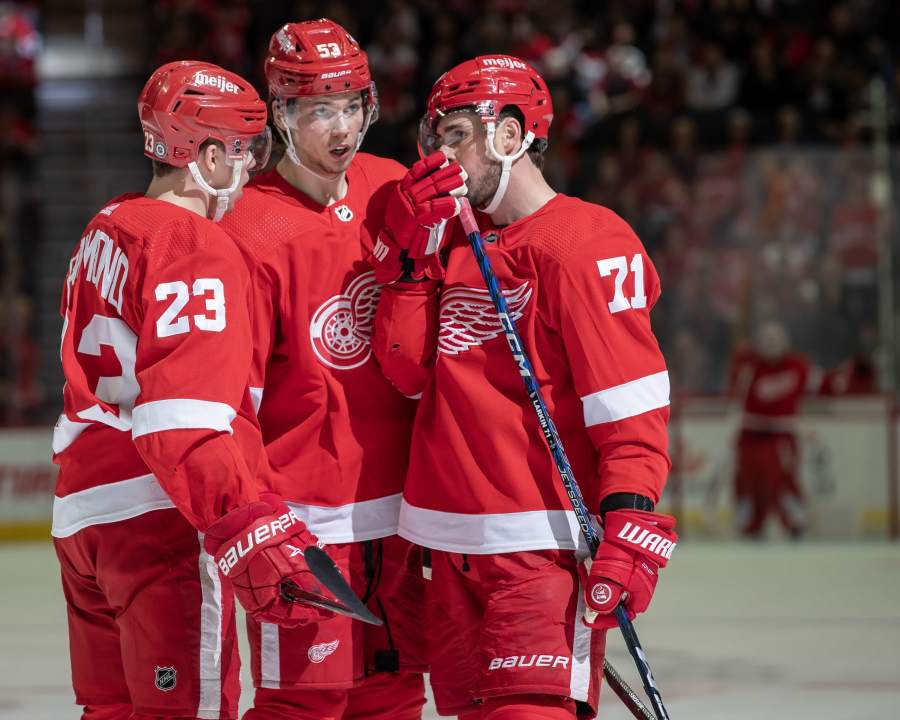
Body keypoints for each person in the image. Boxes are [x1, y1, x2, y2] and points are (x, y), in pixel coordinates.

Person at [370, 55, 676, 719]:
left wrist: (629, 521)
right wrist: (408, 257)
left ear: (508, 137)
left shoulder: (587, 241)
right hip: (446, 549)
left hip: (540, 553)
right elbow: (407, 373)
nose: (439, 157)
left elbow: (629, 406)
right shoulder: (451, 242)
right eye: (436, 137)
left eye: (456, 136)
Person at [52, 60, 331, 720]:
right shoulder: (197, 244)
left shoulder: (107, 223)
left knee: (109, 712)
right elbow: (182, 421)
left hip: (82, 517)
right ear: (204, 156)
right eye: (241, 150)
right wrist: (246, 525)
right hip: (159, 518)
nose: (250, 167)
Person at [219, 19, 427, 720]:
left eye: (352, 107)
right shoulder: (244, 224)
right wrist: (253, 516)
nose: (342, 129)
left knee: (395, 697)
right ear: (282, 115)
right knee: (302, 704)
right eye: (319, 111)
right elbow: (231, 401)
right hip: (303, 518)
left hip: (400, 510)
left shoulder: (392, 188)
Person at [729, 320, 815, 538]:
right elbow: (736, 392)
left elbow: (819, 387)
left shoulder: (798, 366)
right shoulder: (749, 366)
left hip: (782, 432)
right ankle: (750, 523)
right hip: (751, 432)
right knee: (748, 479)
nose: (771, 345)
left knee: (783, 478)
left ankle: (795, 520)